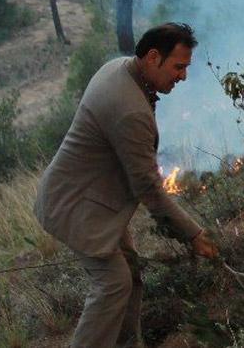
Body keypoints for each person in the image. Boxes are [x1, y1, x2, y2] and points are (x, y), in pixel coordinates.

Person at [34, 22, 218, 348]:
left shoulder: (120, 68)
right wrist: (194, 234)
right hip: (76, 207)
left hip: (90, 198)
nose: (183, 77)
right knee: (113, 283)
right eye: (178, 67)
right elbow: (148, 187)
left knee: (129, 274)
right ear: (152, 57)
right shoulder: (130, 110)